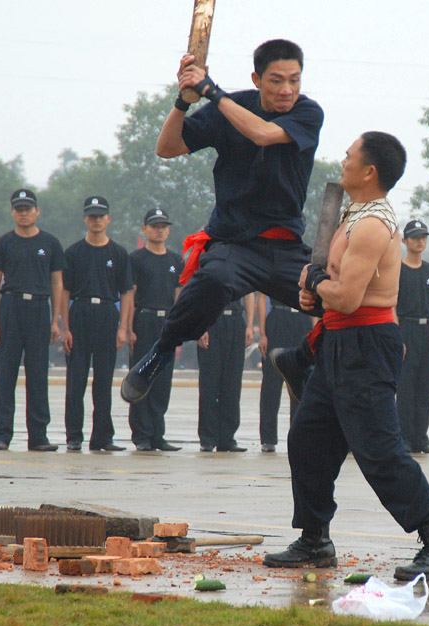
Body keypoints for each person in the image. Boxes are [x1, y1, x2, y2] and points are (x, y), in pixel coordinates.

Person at [263, 132, 429, 582]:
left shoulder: (373, 225)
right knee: (308, 440)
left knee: (380, 451)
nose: (344, 159)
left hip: (366, 346)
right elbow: (330, 290)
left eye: (351, 155)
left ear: (369, 171)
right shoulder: (352, 214)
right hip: (337, 343)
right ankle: (315, 540)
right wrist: (313, 287)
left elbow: (349, 297)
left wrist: (315, 283)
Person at [120, 38, 324, 404]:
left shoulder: (307, 113)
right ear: (257, 79)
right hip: (235, 244)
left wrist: (212, 91)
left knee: (344, 303)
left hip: (286, 248)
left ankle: (302, 361)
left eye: (295, 79)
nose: (287, 89)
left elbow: (262, 134)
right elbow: (167, 148)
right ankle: (161, 353)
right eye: (277, 80)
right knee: (211, 279)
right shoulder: (229, 107)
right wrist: (184, 99)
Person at [0, 189, 64, 452]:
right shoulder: (3, 244)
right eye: (18, 209)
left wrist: (56, 321)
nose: (23, 213)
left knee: (38, 375)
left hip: (40, 310)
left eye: (28, 208)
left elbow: (57, 283)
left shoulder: (51, 243)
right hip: (11, 309)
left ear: (37, 211)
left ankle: (38, 436)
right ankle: (2, 434)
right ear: (12, 213)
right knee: (6, 374)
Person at [61, 196, 133, 452]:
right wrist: (65, 327)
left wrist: (123, 327)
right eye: (92, 216)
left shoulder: (118, 253)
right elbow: (65, 291)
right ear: (85, 219)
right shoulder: (73, 252)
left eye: (101, 215)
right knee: (76, 380)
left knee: (103, 381)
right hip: (80, 313)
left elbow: (126, 292)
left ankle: (102, 437)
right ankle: (74, 436)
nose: (96, 220)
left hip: (106, 314)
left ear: (108, 219)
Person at [127, 209, 183, 452]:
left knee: (162, 380)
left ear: (168, 230)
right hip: (143, 320)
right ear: (145, 229)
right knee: (142, 376)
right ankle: (141, 434)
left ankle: (158, 435)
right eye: (154, 225)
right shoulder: (137, 259)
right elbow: (130, 296)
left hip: (167, 323)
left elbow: (180, 297)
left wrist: (180, 327)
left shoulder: (176, 260)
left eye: (163, 225)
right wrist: (127, 328)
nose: (159, 229)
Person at [395, 219, 429, 454]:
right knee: (405, 387)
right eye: (415, 237)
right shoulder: (397, 270)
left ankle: (421, 438)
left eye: (424, 237)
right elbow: (391, 307)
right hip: (406, 329)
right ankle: (404, 437)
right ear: (405, 241)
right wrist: (397, 337)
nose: (420, 241)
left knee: (425, 387)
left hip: (428, 333)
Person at [197, 294, 255, 452]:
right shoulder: (204, 267)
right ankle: (208, 437)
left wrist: (249, 325)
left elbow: (249, 294)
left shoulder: (243, 268)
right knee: (209, 382)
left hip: (236, 322)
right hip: (211, 322)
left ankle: (227, 438)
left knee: (233, 383)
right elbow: (197, 294)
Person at [257, 292, 314, 452]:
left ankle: (299, 435)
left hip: (303, 319)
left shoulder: (309, 267)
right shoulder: (272, 266)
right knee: (271, 382)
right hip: (278, 318)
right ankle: (268, 438)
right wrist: (262, 333)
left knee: (302, 381)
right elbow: (262, 297)